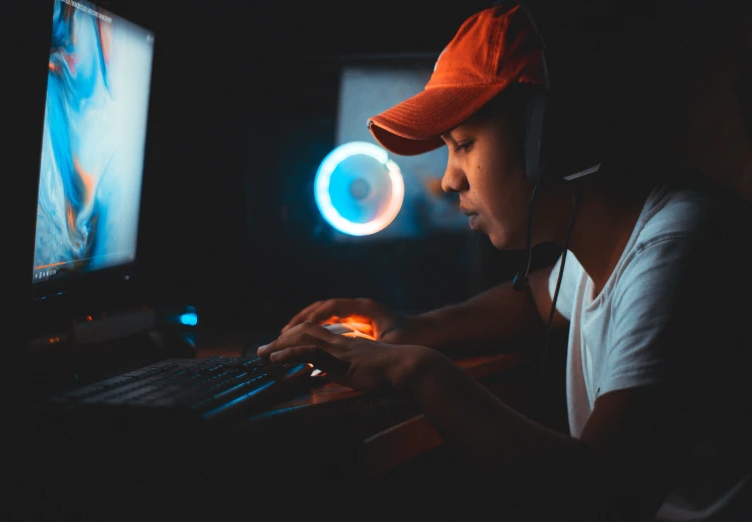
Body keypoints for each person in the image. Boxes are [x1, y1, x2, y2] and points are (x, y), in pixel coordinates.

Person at [258, 3, 752, 520]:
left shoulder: (678, 250)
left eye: (464, 144)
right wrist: (412, 329)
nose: (450, 180)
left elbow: (605, 495)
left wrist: (418, 370)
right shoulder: (620, 239)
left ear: (555, 136)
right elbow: (536, 298)